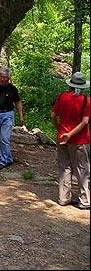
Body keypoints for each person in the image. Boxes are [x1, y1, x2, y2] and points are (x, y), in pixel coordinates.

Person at [50, 71, 90, 210]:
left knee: (64, 167)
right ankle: (84, 200)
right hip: (80, 139)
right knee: (82, 169)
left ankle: (64, 198)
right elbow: (85, 122)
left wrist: (61, 130)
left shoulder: (62, 97)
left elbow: (53, 115)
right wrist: (71, 134)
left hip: (62, 138)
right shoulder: (86, 100)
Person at [0, 66, 24, 169]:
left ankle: (2, 161)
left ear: (8, 78)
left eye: (4, 77)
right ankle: (8, 158)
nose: (2, 79)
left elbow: (18, 102)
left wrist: (20, 116)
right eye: (0, 76)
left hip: (7, 115)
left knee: (4, 138)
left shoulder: (12, 89)